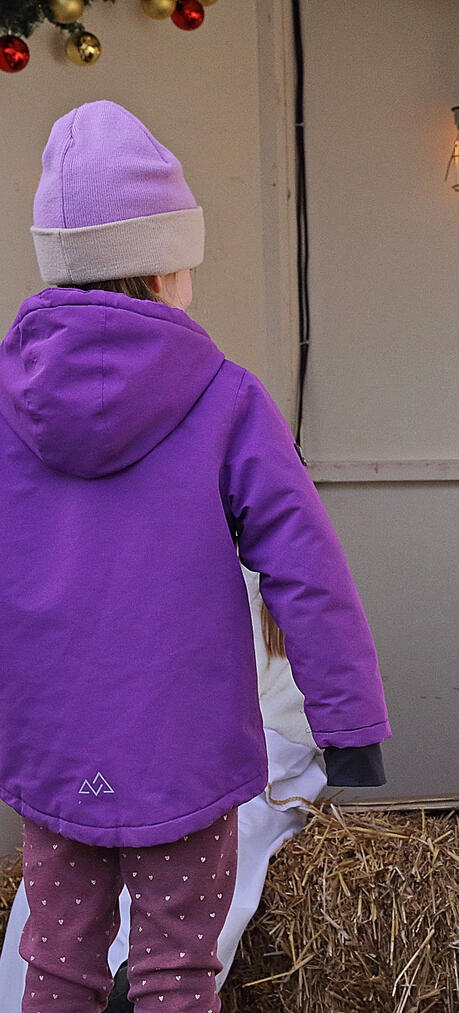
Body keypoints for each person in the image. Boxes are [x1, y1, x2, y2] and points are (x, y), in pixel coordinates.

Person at [0, 101, 391, 1013]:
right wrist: (349, 725)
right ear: (168, 265)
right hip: (186, 752)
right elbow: (307, 567)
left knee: (56, 961)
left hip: (52, 744)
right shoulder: (226, 399)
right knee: (178, 967)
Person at [0, 570, 328, 1012]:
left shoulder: (282, 572)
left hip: (249, 761)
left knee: (225, 855)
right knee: (71, 864)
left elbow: (291, 715)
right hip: (143, 750)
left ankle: (138, 984)